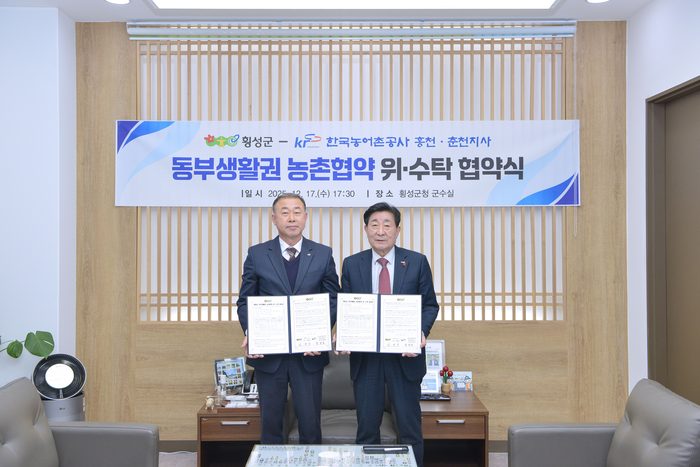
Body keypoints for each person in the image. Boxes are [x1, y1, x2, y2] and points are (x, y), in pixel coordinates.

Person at [340, 202, 439, 467]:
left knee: (409, 428)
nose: (381, 231)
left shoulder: (416, 261)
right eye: (374, 224)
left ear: (397, 229)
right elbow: (346, 306)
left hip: (404, 357)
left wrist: (420, 332)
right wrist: (344, 333)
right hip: (367, 358)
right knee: (367, 430)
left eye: (387, 225)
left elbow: (430, 305)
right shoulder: (352, 264)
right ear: (366, 229)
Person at [237, 193, 340, 444]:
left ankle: (311, 462)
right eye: (284, 212)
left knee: (310, 424)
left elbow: (333, 299)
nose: (291, 218)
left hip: (309, 354)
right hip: (269, 354)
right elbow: (245, 300)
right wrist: (252, 332)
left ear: (305, 217)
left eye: (296, 212)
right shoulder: (257, 254)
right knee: (271, 424)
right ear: (274, 219)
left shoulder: (322, 253)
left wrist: (320, 334)